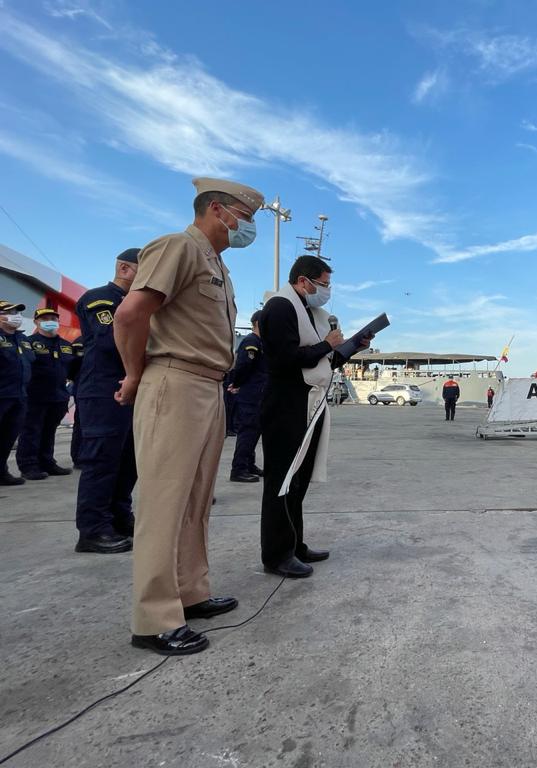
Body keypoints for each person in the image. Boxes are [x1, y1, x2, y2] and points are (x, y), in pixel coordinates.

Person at [113, 177, 264, 655]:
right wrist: (134, 374)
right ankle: (153, 618)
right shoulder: (177, 246)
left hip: (208, 385)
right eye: (246, 214)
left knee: (196, 500)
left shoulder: (217, 264)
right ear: (217, 209)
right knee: (164, 502)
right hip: (174, 379)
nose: (249, 225)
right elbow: (130, 315)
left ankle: (190, 592)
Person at [259, 255, 368, 578]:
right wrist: (325, 345)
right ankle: (276, 554)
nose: (327, 290)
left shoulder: (311, 312)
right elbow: (284, 360)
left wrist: (353, 347)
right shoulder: (280, 307)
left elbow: (324, 364)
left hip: (311, 404)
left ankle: (294, 543)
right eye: (323, 283)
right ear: (304, 281)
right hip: (287, 404)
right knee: (281, 480)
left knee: (299, 481)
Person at [73, 248, 140, 554]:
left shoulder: (138, 303)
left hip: (129, 388)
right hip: (103, 390)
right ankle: (92, 529)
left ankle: (118, 516)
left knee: (128, 459)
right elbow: (110, 340)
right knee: (101, 461)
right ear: (125, 268)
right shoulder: (100, 298)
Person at [16, 308, 75, 480]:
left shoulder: (65, 345)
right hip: (35, 396)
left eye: (53, 318)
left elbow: (71, 369)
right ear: (36, 322)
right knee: (31, 432)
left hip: (58, 396)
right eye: (44, 318)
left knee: (49, 432)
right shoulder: (29, 343)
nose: (49, 321)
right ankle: (28, 466)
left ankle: (47, 462)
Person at [229, 310, 267, 483]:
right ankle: (239, 469)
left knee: (254, 432)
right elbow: (243, 365)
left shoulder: (260, 342)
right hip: (250, 396)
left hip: (256, 396)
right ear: (258, 323)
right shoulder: (251, 341)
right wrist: (236, 383)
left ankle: (249, 464)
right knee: (247, 432)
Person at [0, 300, 34, 486]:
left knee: (8, 436)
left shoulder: (23, 339)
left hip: (19, 395)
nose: (15, 315)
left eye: (16, 311)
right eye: (10, 311)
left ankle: (1, 471)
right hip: (2, 394)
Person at [68, 337, 84, 468]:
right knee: (81, 425)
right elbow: (71, 367)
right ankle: (79, 457)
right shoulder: (79, 342)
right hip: (84, 387)